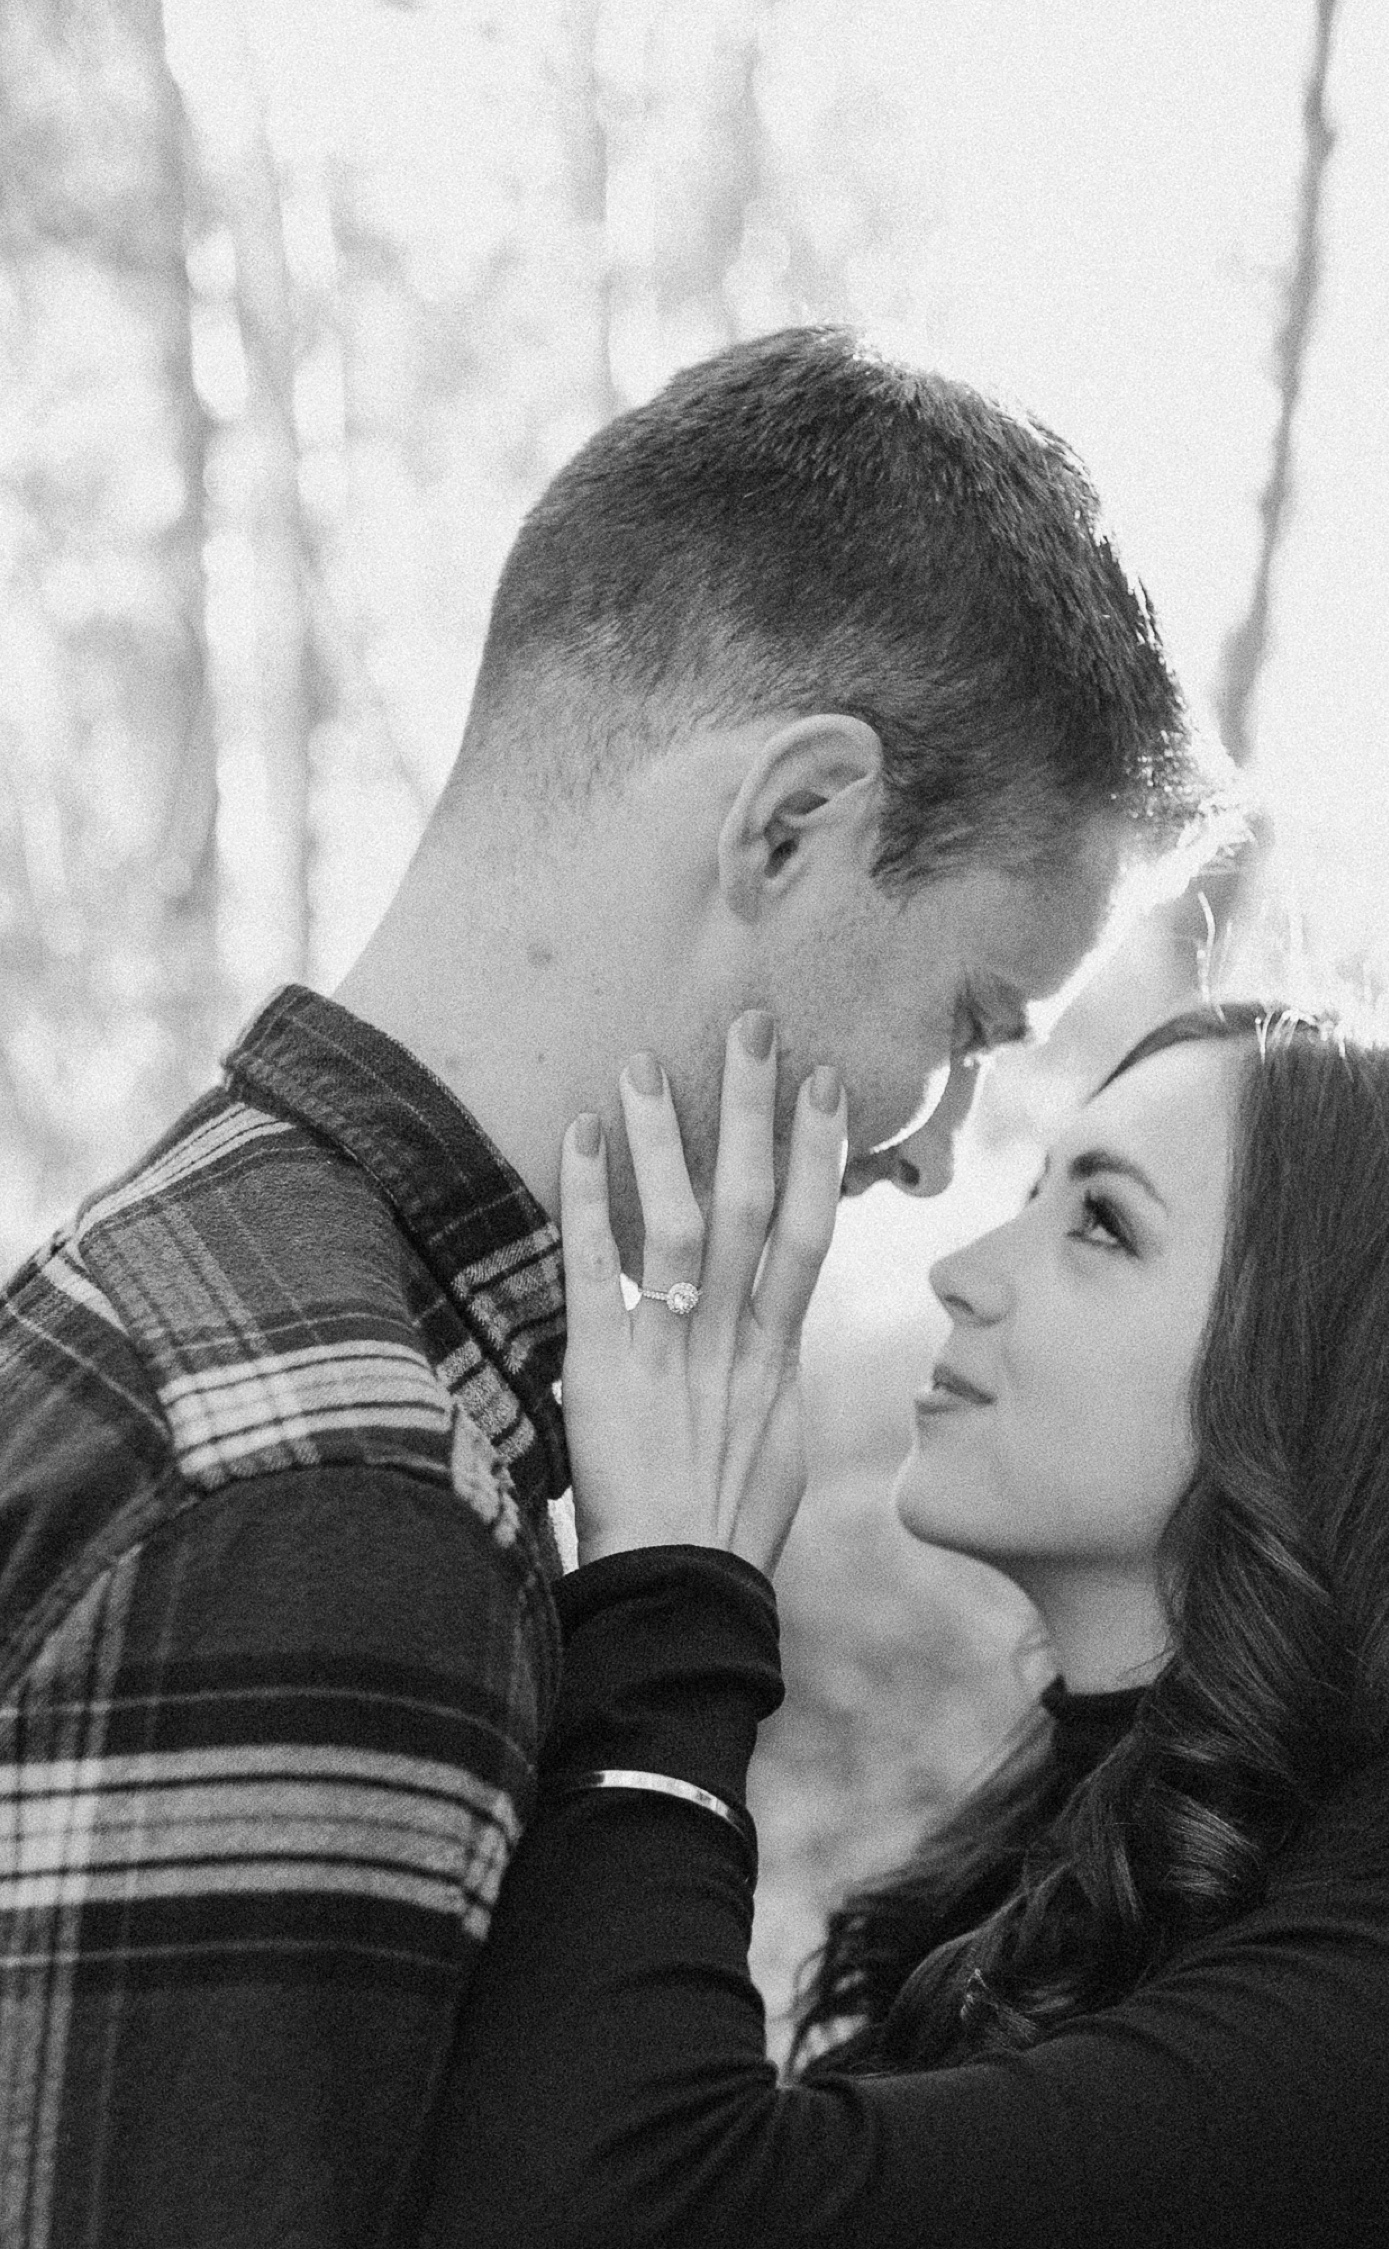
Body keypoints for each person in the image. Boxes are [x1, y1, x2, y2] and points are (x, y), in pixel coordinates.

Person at [0, 329, 1223, 2245]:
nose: (927, 1145)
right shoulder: (339, 1494)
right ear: (795, 822)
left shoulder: (197, 1258)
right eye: (971, 1021)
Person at [420, 1002, 1389, 2248]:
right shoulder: (1078, 1871)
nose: (963, 1266)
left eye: (1100, 1221)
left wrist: (673, 1589)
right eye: (1035, 1191)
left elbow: (626, 2210)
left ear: (1336, 1384)